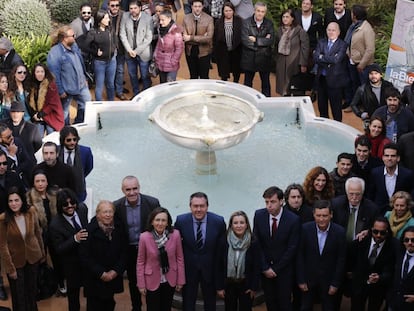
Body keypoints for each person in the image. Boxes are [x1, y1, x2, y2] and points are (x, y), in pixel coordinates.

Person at [113, 175, 160, 311]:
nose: (132, 192)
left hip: (149, 248)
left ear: (139, 188)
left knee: (152, 278)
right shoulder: (117, 206)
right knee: (133, 281)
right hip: (129, 250)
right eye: (128, 189)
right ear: (123, 190)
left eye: (135, 188)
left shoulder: (152, 203)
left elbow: (161, 222)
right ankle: (136, 307)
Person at [174, 192, 226, 311]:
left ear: (207, 206)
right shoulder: (181, 221)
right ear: (190, 206)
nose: (198, 209)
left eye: (202, 206)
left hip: (210, 270)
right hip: (189, 270)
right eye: (195, 206)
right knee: (188, 303)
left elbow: (221, 249)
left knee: (210, 303)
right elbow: (176, 245)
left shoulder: (218, 221)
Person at [253, 186, 300, 310]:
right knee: (270, 303)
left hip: (284, 271)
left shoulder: (293, 220)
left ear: (281, 201)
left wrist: (276, 269)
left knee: (285, 303)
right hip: (265, 271)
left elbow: (292, 248)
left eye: (272, 202)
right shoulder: (259, 215)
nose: (269, 205)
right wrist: (265, 268)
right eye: (266, 202)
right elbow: (256, 244)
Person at [0, 187, 45, 311]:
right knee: (19, 296)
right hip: (15, 262)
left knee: (32, 292)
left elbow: (37, 233)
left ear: (22, 200)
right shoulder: (3, 219)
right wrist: (10, 268)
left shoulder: (31, 211)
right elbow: (2, 246)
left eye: (16, 200)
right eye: (10, 201)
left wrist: (42, 254)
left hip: (33, 258)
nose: (14, 204)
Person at [296, 200, 346, 310]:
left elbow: (341, 260)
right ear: (313, 214)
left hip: (329, 281)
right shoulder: (305, 229)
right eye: (318, 215)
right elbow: (300, 255)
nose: (321, 219)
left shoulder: (340, 232)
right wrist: (301, 279)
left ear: (331, 215)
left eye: (325, 215)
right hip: (308, 280)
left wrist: (335, 283)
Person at [80, 200, 127, 311]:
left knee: (109, 304)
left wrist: (115, 271)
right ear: (98, 214)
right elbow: (84, 256)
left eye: (110, 211)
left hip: (112, 276)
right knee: (94, 305)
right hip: (95, 278)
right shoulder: (89, 230)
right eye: (105, 212)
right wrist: (101, 273)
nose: (108, 215)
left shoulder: (119, 228)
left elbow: (124, 252)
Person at [137, 207, 185, 310]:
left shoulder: (175, 235)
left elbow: (179, 258)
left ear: (168, 223)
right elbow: (140, 262)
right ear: (152, 222)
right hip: (151, 279)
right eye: (157, 220)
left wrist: (180, 280)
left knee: (166, 307)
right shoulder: (144, 237)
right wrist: (141, 284)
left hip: (170, 278)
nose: (160, 223)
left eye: (163, 220)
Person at [49, 188, 89, 311]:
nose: (70, 206)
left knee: (91, 290)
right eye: (65, 204)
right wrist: (75, 239)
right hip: (71, 264)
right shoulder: (55, 225)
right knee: (73, 294)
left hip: (87, 260)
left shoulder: (82, 209)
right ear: (60, 206)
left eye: (72, 202)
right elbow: (59, 249)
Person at [350, 217, 398, 311]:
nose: (378, 235)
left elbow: (393, 268)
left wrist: (380, 277)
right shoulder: (361, 241)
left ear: (387, 231)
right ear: (371, 230)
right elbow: (352, 260)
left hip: (379, 287)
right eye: (375, 232)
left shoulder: (394, 246)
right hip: (360, 283)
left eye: (382, 232)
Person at [215, 211, 260, 311]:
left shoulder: (253, 242)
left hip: (246, 284)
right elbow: (218, 266)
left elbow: (256, 266)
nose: (239, 226)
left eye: (241, 222)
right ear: (231, 225)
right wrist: (219, 287)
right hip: (229, 284)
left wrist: (253, 287)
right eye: (235, 223)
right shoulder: (223, 241)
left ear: (246, 224)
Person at [47, 25, 90, 124]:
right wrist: (61, 90)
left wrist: (85, 78)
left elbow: (80, 63)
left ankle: (79, 123)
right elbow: (54, 74)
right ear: (65, 39)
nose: (75, 37)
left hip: (81, 86)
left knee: (86, 105)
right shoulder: (55, 53)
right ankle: (66, 130)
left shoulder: (74, 46)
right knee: (64, 112)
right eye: (72, 36)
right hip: (67, 89)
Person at [313, 22, 349, 122]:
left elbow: (336, 60)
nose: (331, 32)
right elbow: (315, 58)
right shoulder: (321, 42)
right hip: (322, 79)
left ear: (338, 32)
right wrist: (328, 60)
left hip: (335, 81)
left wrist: (322, 57)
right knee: (322, 106)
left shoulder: (343, 44)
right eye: (329, 30)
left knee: (336, 108)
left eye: (333, 30)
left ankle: (338, 128)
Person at [343, 4, 375, 110]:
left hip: (363, 64)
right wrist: (348, 52)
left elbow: (370, 49)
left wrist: (362, 64)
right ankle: (353, 105)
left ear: (355, 15)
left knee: (364, 87)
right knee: (353, 84)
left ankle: (366, 108)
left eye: (352, 13)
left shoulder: (366, 29)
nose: (350, 14)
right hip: (352, 61)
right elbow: (349, 42)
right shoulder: (353, 26)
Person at [368, 143, 414, 214]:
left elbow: (410, 197)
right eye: (387, 156)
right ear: (383, 157)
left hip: (400, 216)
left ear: (398, 158)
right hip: (379, 215)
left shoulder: (407, 175)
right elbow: (371, 195)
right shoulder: (375, 173)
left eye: (393, 156)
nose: (389, 158)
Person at [120, 0, 153, 96]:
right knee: (132, 75)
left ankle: (145, 95)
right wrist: (129, 50)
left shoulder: (148, 19)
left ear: (140, 8)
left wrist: (136, 51)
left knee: (144, 75)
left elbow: (148, 38)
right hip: (129, 52)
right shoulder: (125, 16)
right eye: (131, 8)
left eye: (135, 8)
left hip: (143, 53)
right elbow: (122, 34)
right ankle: (136, 94)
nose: (133, 10)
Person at [241, 2, 275, 97]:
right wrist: (263, 41)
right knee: (247, 84)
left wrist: (256, 40)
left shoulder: (269, 24)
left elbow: (271, 41)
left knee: (266, 84)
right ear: (254, 11)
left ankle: (266, 103)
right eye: (258, 11)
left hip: (264, 59)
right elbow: (245, 41)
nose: (260, 13)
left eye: (263, 11)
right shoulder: (246, 23)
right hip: (249, 58)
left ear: (265, 13)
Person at [331, 177, 379, 243]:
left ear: (362, 193)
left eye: (358, 194)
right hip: (339, 243)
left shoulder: (371, 209)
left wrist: (368, 232)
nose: (354, 197)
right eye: (351, 194)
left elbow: (375, 228)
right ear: (346, 192)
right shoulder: (336, 205)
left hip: (360, 245)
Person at [274, 8, 309, 96]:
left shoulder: (299, 31)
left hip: (294, 62)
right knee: (282, 87)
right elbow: (275, 46)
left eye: (287, 17)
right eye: (283, 17)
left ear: (292, 18)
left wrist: (303, 63)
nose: (285, 19)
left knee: (292, 86)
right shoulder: (279, 31)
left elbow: (305, 48)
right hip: (281, 61)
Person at [84, 10, 117, 101]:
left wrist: (114, 49)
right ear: (99, 19)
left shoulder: (110, 28)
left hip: (112, 61)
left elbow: (114, 40)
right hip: (100, 63)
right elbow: (85, 46)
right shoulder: (93, 32)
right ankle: (99, 105)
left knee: (110, 84)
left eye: (108, 18)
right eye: (106, 18)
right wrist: (95, 52)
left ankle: (111, 104)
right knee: (100, 85)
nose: (108, 20)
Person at [27, 63, 65, 136]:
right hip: (38, 117)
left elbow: (53, 103)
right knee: (38, 138)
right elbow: (31, 102)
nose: (40, 74)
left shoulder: (51, 85)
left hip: (50, 115)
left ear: (45, 72)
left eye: (42, 71)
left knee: (51, 136)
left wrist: (41, 114)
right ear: (34, 73)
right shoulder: (32, 86)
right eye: (37, 72)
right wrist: (35, 115)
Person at [59, 126, 93, 202]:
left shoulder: (85, 151)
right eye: (69, 140)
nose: (72, 142)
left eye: (75, 139)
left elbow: (89, 167)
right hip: (60, 191)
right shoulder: (57, 151)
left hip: (79, 192)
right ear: (63, 140)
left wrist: (79, 176)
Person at [182, 0, 214, 80]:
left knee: (204, 77)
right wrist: (201, 37)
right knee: (193, 76)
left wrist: (191, 38)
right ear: (192, 7)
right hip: (190, 50)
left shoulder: (209, 19)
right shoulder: (186, 18)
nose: (197, 9)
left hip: (204, 52)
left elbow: (209, 38)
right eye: (195, 6)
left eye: (199, 6)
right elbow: (184, 37)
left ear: (202, 7)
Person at [213, 2, 243, 82]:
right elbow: (215, 38)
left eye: (230, 10)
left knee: (236, 74)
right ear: (223, 11)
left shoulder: (239, 21)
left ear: (233, 11)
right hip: (223, 52)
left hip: (236, 51)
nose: (228, 12)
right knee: (224, 75)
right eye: (226, 11)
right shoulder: (218, 22)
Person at [154, 9, 184, 83]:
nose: (161, 22)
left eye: (163, 20)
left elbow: (179, 49)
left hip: (171, 64)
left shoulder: (176, 32)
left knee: (170, 85)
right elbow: (159, 44)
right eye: (160, 20)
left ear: (169, 19)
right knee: (162, 84)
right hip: (161, 62)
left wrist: (173, 61)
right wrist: (155, 55)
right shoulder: (160, 29)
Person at [0, 122, 34, 187]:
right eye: (8, 137)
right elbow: (4, 170)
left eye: (11, 134)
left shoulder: (17, 142)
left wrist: (17, 171)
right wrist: (11, 155)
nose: (12, 138)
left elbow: (27, 161)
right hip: (6, 184)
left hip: (23, 179)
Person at [388, 226, 414, 311]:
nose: (410, 243)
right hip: (393, 303)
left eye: (413, 240)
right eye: (406, 240)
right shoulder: (399, 253)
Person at [106, 0, 128, 100]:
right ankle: (111, 90)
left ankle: (119, 91)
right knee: (111, 71)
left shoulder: (124, 15)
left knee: (120, 70)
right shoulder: (104, 15)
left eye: (117, 5)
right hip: (109, 49)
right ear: (108, 6)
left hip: (121, 48)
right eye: (112, 5)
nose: (115, 7)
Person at [295, 0, 324, 69]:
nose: (305, 5)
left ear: (311, 6)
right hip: (298, 46)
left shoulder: (317, 17)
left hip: (312, 46)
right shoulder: (296, 15)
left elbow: (321, 33)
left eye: (307, 4)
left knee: (310, 67)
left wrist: (319, 48)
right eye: (303, 3)